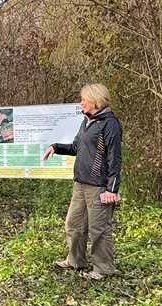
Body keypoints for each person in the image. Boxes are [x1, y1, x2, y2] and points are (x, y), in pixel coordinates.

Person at [42, 84, 122, 280]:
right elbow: (77, 147)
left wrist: (112, 188)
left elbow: (114, 157)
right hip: (81, 184)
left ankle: (103, 269)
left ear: (95, 101)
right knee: (73, 224)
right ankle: (75, 260)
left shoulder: (109, 124)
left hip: (99, 187)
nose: (81, 102)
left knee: (98, 229)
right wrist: (56, 147)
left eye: (83, 99)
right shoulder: (86, 121)